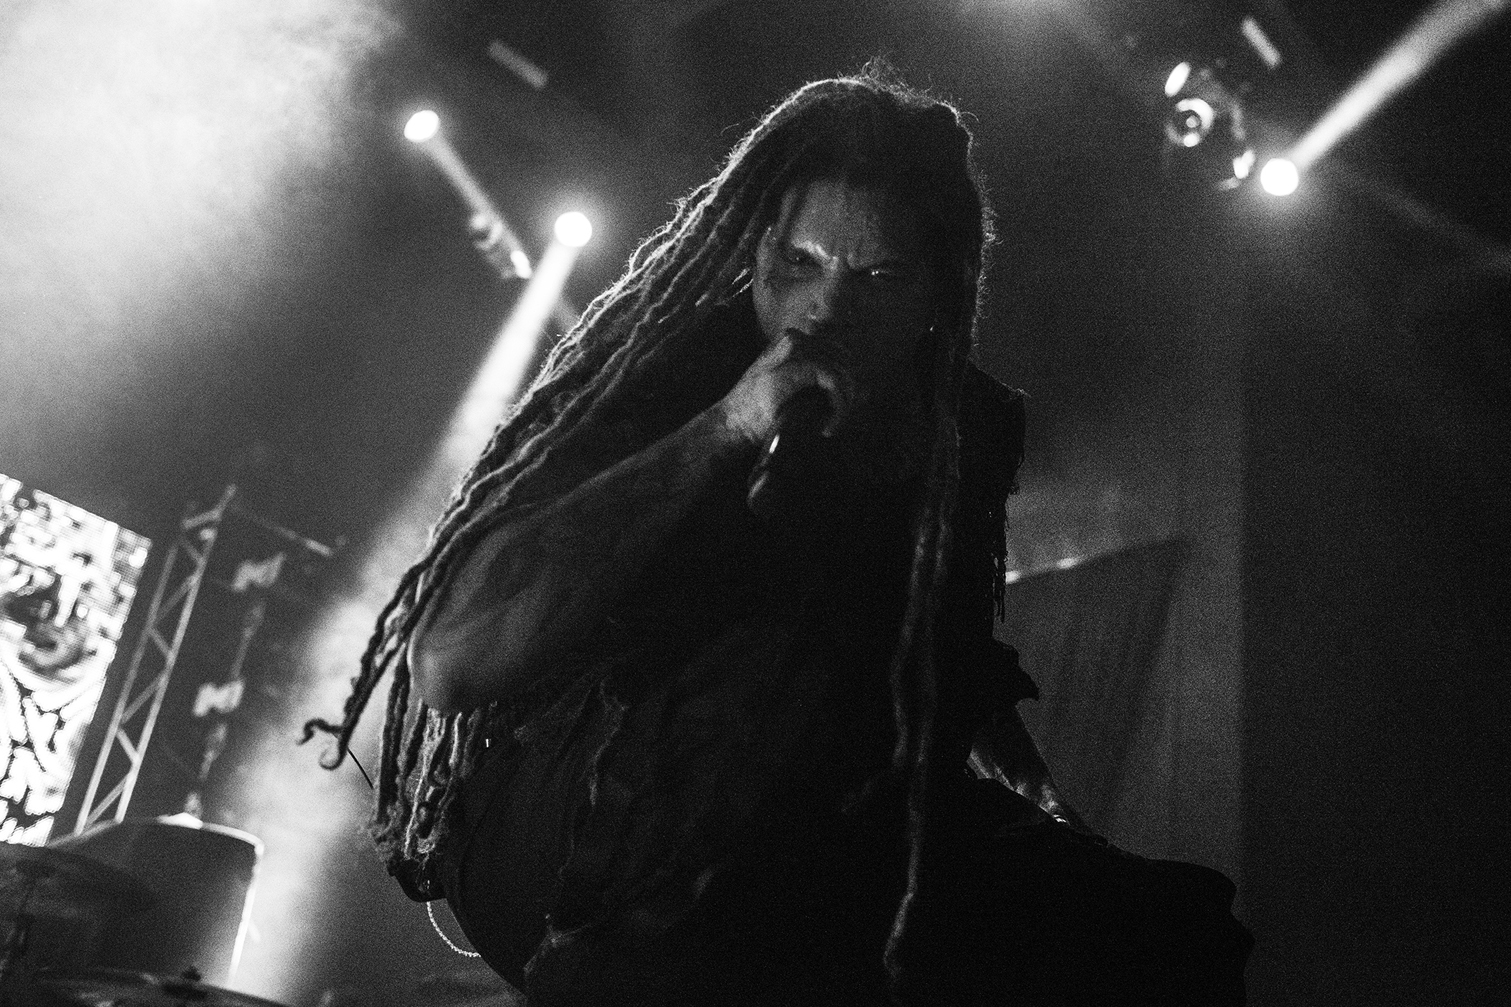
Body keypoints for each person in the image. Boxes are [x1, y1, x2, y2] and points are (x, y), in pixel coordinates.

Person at [308, 67, 1250, 1005]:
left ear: (937, 293)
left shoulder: (963, 428)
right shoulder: (664, 373)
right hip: (570, 820)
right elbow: (451, 660)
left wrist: (1047, 815)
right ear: (756, 252)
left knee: (1175, 929)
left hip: (813, 829)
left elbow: (939, 661)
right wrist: (724, 428)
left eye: (878, 277)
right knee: (777, 696)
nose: (828, 308)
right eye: (799, 264)